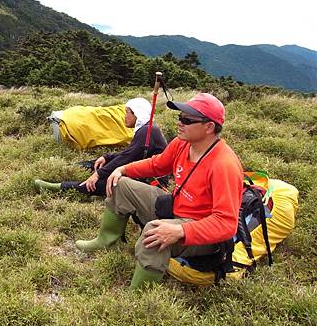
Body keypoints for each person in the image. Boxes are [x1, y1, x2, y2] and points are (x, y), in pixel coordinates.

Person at [75, 93, 243, 289]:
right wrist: (122, 169)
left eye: (187, 120)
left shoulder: (224, 165)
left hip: (201, 230)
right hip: (176, 207)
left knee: (154, 233)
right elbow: (158, 164)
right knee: (120, 184)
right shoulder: (182, 143)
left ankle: (140, 298)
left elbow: (226, 224)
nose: (180, 123)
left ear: (209, 127)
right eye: (180, 117)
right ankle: (106, 240)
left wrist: (180, 230)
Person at [34, 98, 168, 197]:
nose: (124, 116)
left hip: (151, 181)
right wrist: (107, 157)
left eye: (127, 112)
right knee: (99, 162)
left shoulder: (148, 131)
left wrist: (99, 174)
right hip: (140, 171)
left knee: (106, 183)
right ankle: (66, 169)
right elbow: (129, 153)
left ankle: (57, 187)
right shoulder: (145, 129)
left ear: (137, 114)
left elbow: (127, 157)